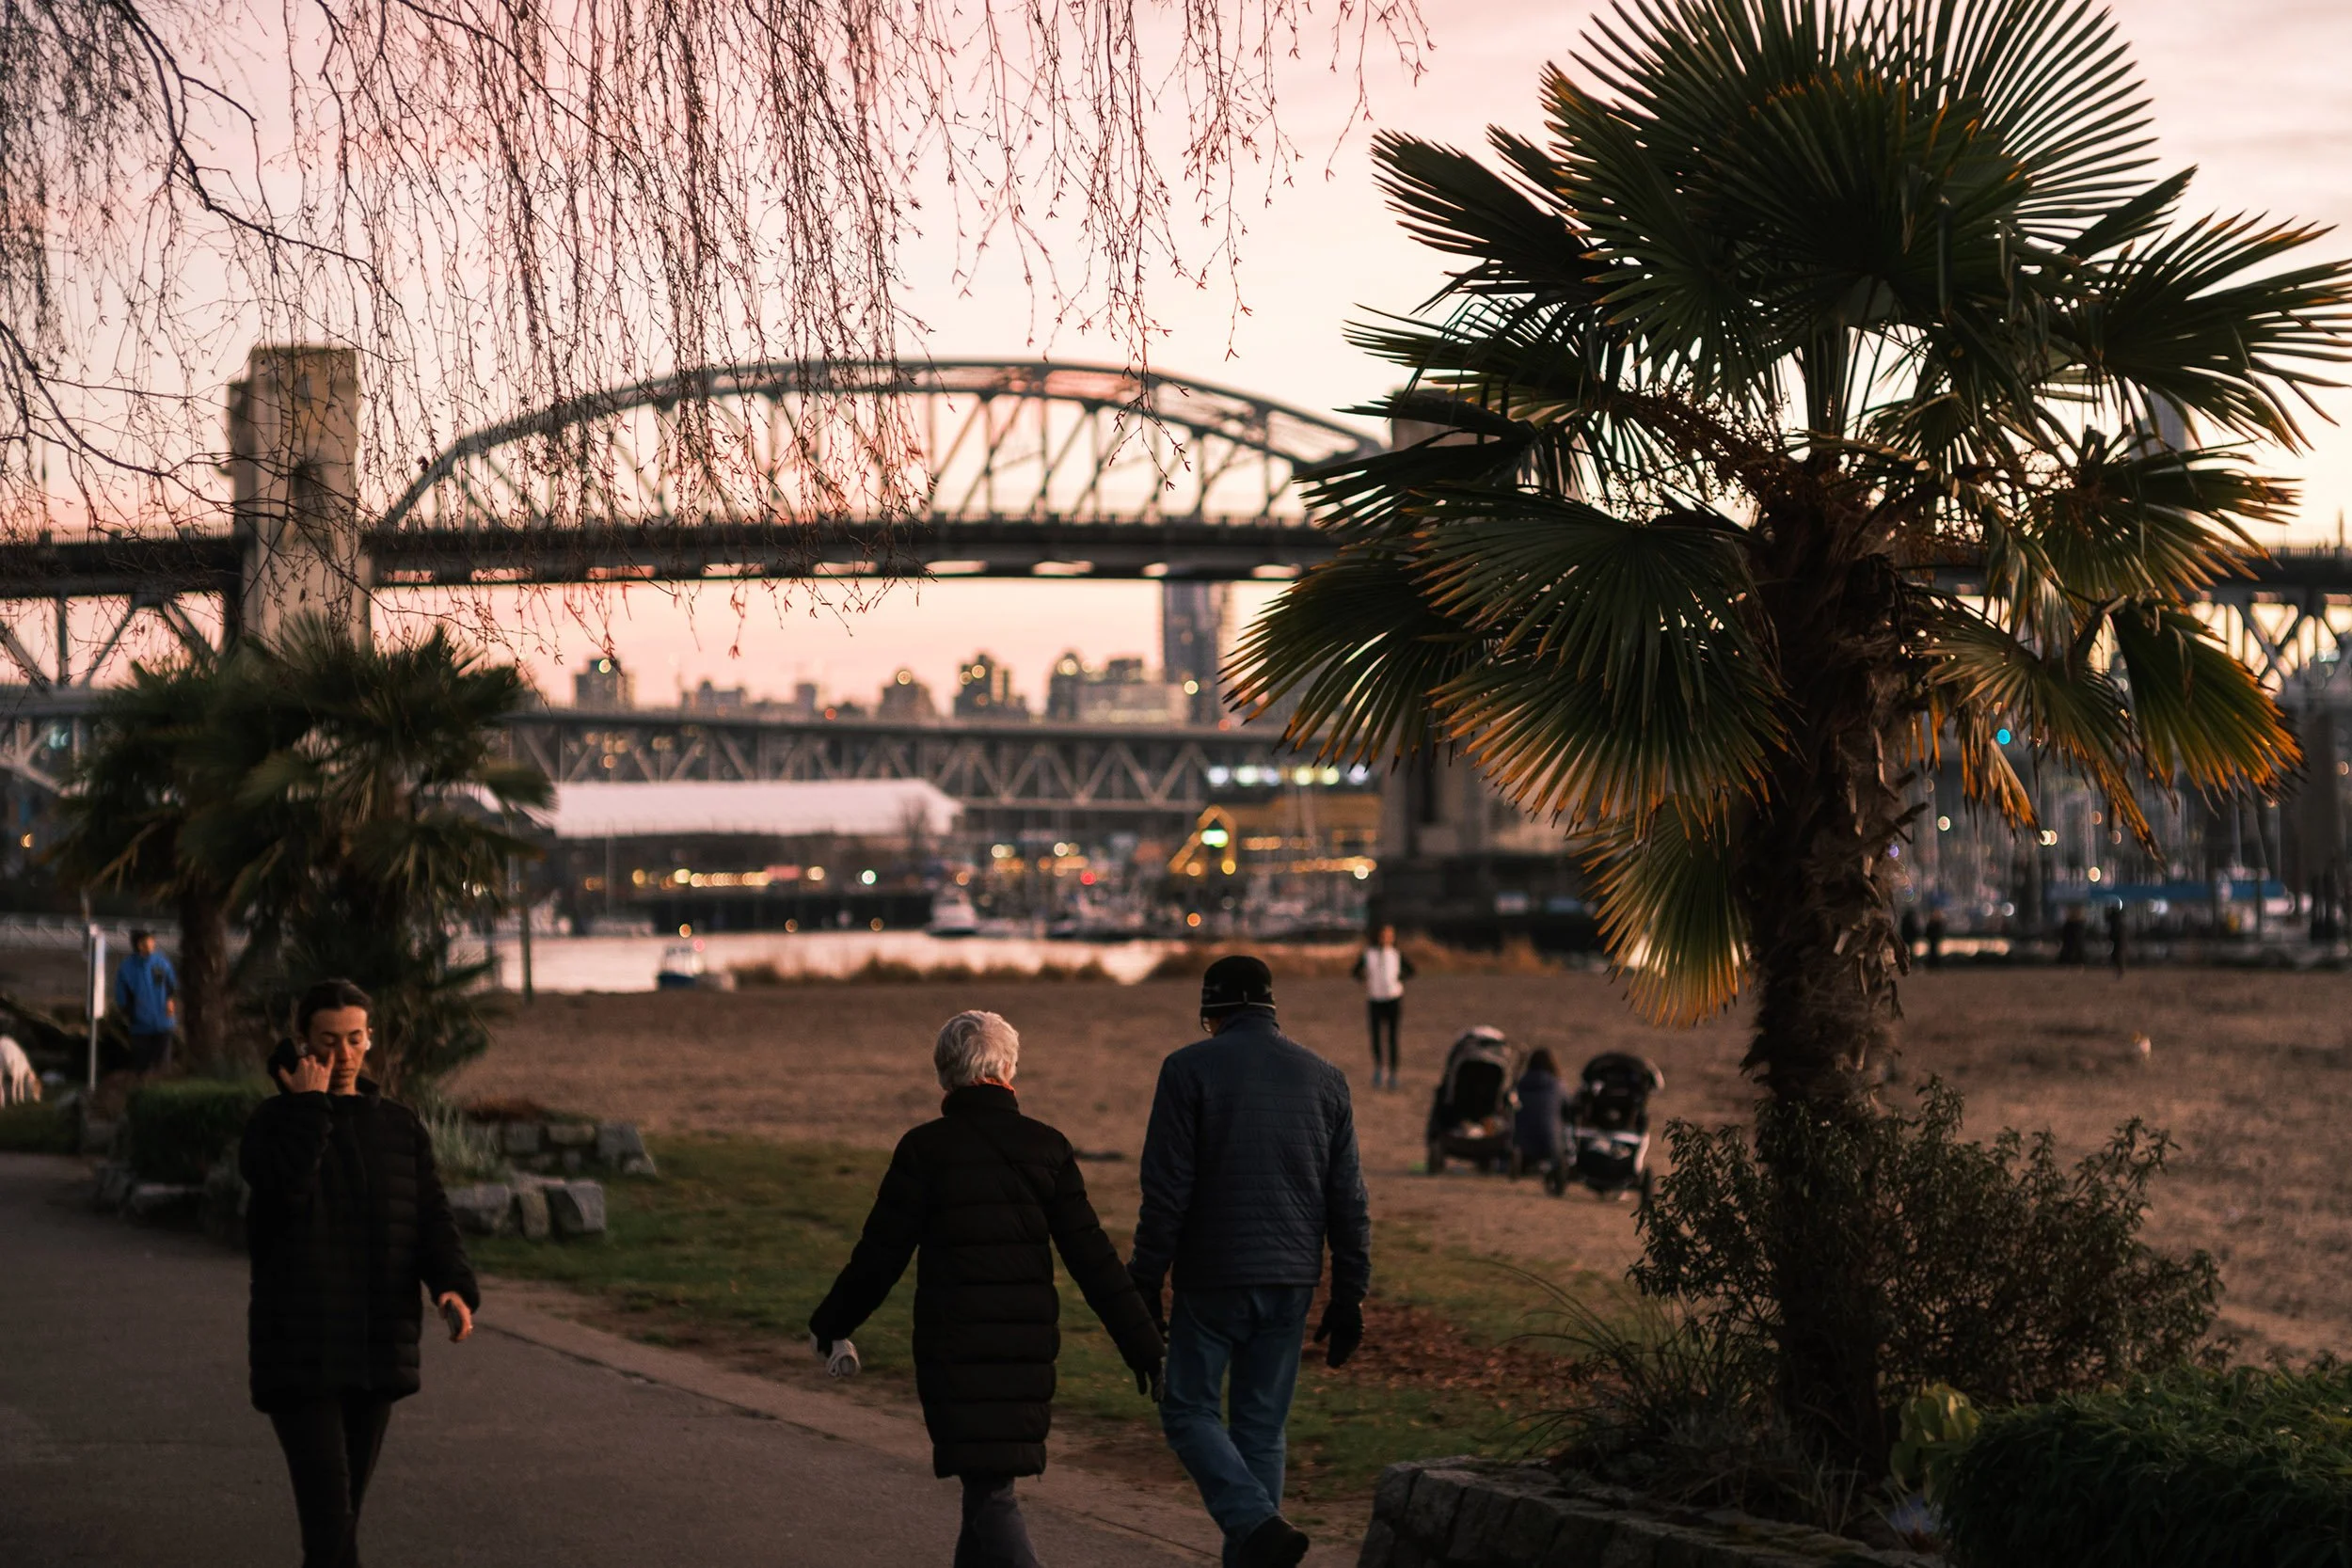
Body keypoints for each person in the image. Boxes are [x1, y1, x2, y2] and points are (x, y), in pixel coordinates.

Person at [810, 1010, 1163, 1568]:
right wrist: (1144, 1347)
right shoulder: (1047, 1148)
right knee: (988, 1489)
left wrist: (833, 1322)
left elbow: (879, 1257)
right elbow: (1095, 1261)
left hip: (954, 1351)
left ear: (944, 1075)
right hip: (1025, 1354)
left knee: (989, 1493)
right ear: (1008, 1067)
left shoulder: (924, 1151)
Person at [1130, 955, 1373, 1568]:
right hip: (1292, 1276)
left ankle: (1256, 1522)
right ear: (1269, 1005)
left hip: (1212, 1273)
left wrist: (1143, 1280)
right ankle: (1258, 1542)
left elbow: (1166, 1190)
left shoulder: (1186, 1069)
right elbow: (1348, 1199)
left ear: (1213, 1011)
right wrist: (1349, 1295)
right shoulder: (1326, 1077)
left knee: (1187, 1408)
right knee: (1261, 1428)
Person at [242, 978, 479, 1568]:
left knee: (341, 1520)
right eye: (327, 1041)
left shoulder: (398, 1126)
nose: (342, 1056)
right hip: (301, 1351)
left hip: (376, 1347)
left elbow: (429, 1215)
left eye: (354, 1039)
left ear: (370, 1040)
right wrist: (306, 1107)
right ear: (301, 1046)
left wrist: (452, 1285)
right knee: (329, 1527)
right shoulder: (273, 1125)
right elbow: (284, 1194)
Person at [1349, 924, 1414, 1088]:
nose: (1386, 937)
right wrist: (1364, 980)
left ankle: (1393, 1074)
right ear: (1378, 936)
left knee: (1393, 1038)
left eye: (1389, 934)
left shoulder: (1396, 954)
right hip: (1375, 999)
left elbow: (1412, 970)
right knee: (1376, 1037)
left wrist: (1399, 977)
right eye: (1383, 934)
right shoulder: (1368, 954)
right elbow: (1355, 971)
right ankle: (1379, 1069)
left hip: (1393, 999)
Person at [113, 929, 180, 1073]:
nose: (150, 944)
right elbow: (121, 998)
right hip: (141, 1027)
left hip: (164, 1024)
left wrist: (171, 1001)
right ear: (138, 945)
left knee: (162, 1067)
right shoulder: (127, 968)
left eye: (151, 940)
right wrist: (132, 1016)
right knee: (142, 1068)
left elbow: (171, 986)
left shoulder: (161, 962)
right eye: (146, 941)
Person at [1511, 1048, 1565, 1179]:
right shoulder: (1556, 1085)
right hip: (1550, 1140)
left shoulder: (1521, 1083)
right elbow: (1568, 1107)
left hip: (1522, 1140)